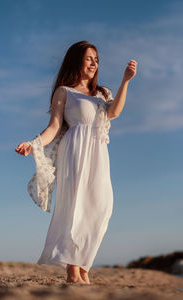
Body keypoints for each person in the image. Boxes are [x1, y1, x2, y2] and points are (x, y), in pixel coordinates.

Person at [15, 40, 137, 284]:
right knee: (77, 207)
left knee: (102, 206)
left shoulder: (101, 94)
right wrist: (34, 143)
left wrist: (125, 80)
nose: (94, 63)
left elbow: (113, 112)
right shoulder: (64, 91)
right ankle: (74, 268)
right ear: (76, 60)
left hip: (98, 153)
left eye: (96, 60)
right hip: (75, 151)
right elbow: (55, 126)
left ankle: (83, 263)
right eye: (89, 58)